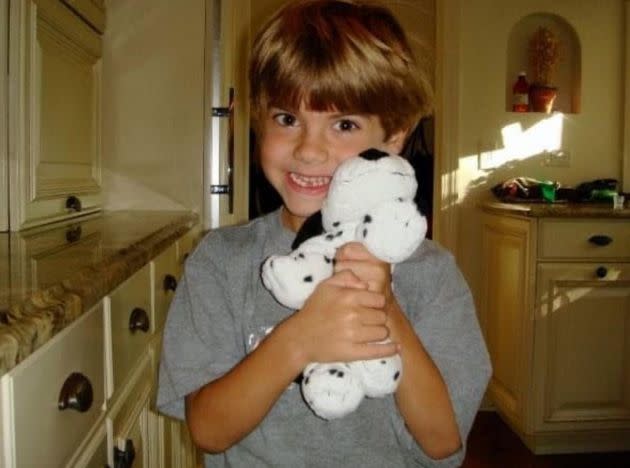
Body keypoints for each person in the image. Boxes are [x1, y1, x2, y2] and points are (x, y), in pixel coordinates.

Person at [157, 1, 491, 466]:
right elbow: (208, 431)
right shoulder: (219, 261)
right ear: (259, 119)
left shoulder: (433, 276)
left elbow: (442, 441)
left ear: (393, 137)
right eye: (287, 119)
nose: (309, 151)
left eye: (344, 124)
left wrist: (385, 307)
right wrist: (299, 339)